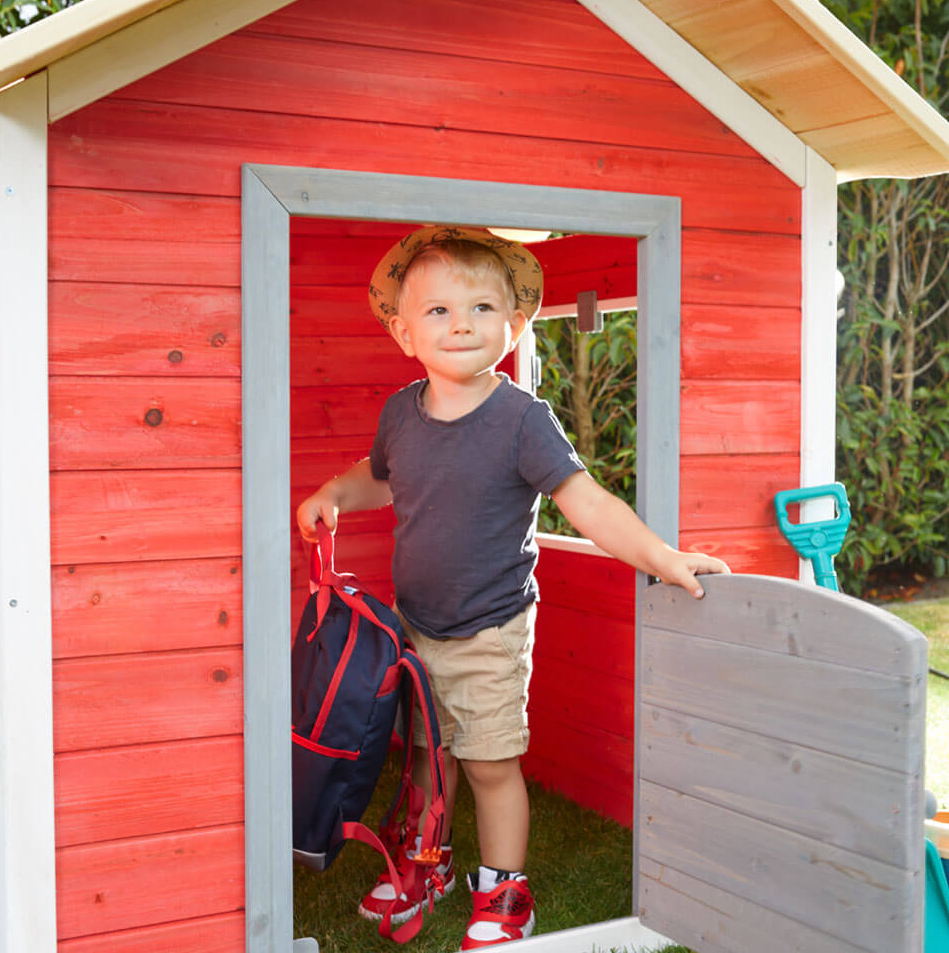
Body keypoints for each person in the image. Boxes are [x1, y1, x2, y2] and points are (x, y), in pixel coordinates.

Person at [296, 225, 730, 949]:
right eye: (438, 311)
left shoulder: (522, 419)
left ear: (514, 324)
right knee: (431, 759)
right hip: (417, 624)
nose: (461, 323)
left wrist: (659, 555)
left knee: (490, 762)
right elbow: (379, 476)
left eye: (481, 308)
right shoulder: (402, 413)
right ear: (405, 333)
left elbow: (585, 501)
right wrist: (332, 493)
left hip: (491, 629)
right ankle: (428, 863)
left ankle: (505, 891)